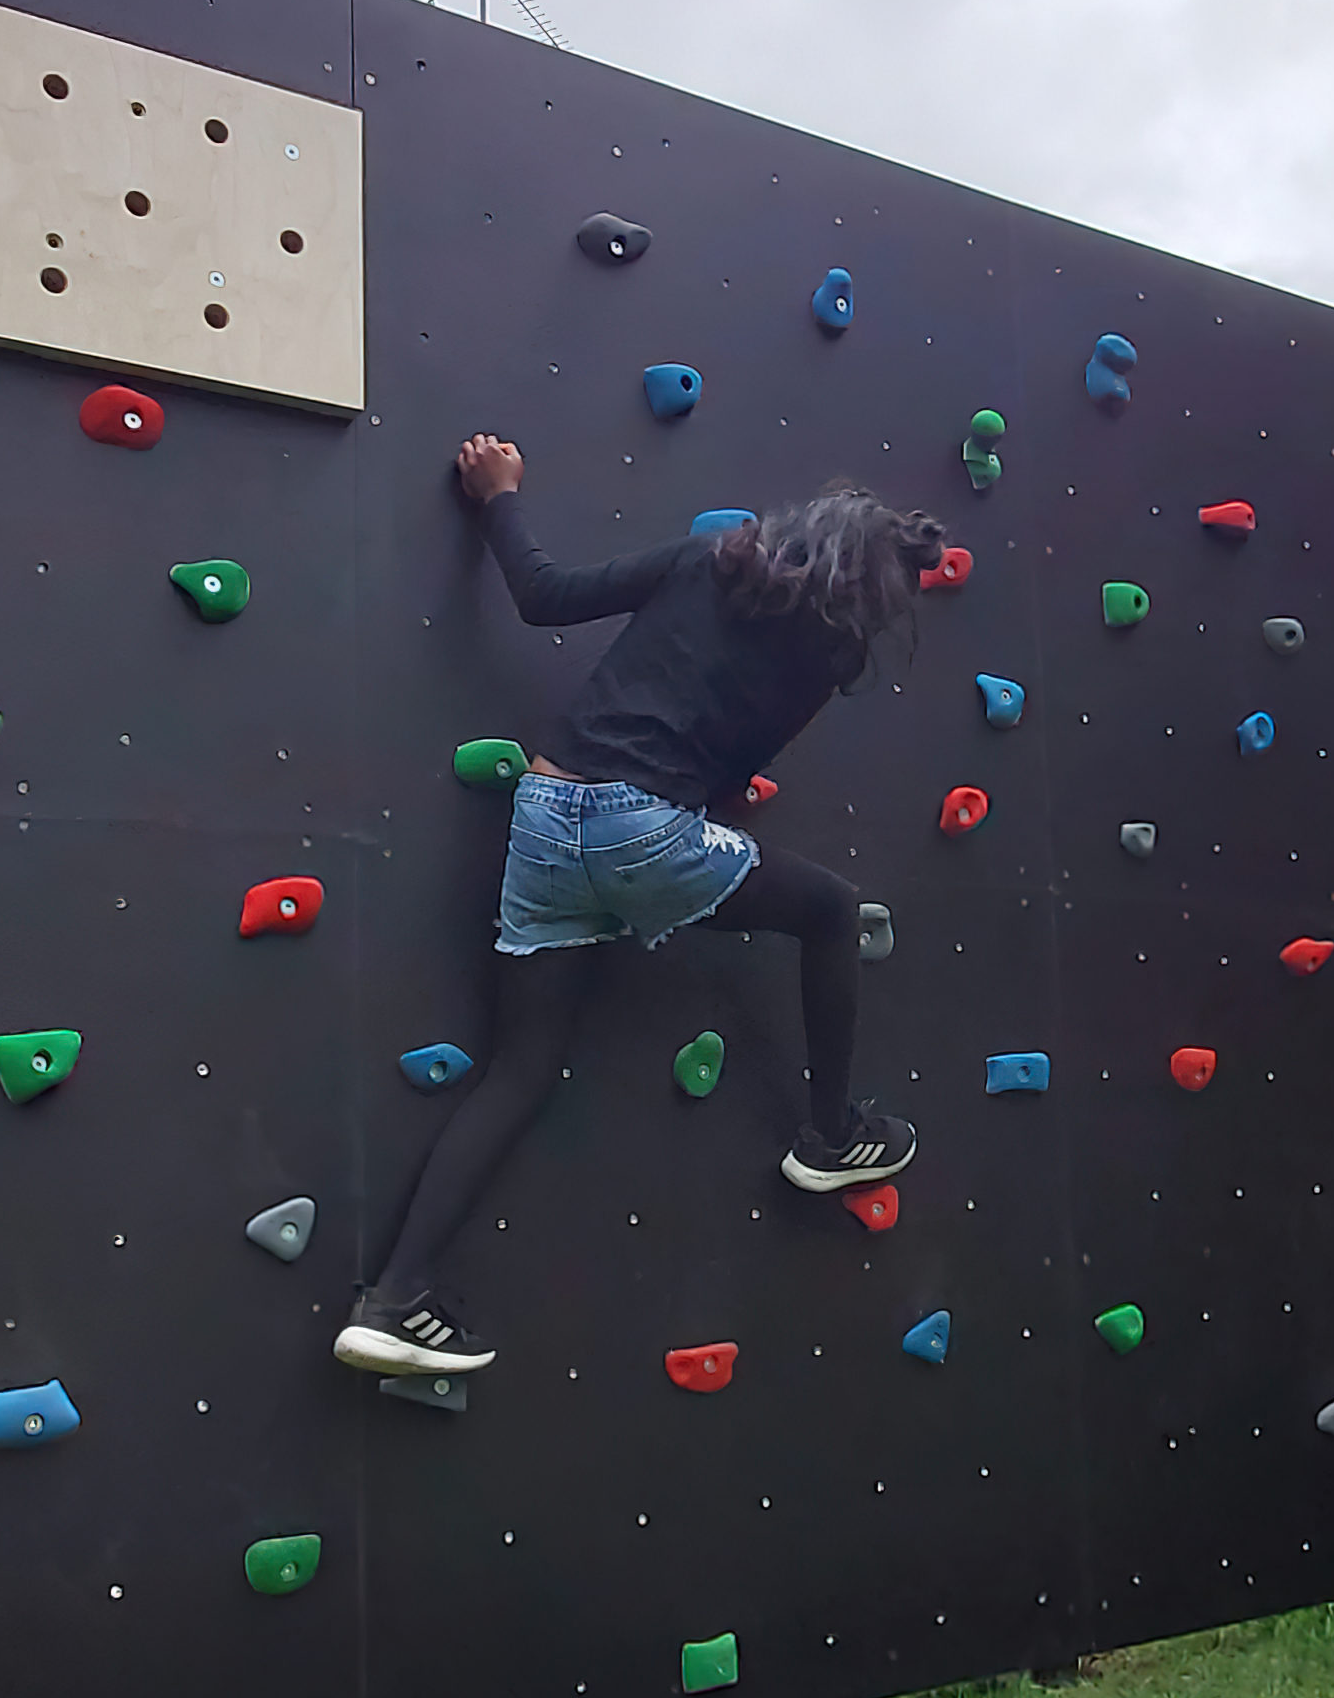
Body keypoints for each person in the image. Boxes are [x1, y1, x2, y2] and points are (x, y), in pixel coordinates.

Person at [334, 433, 945, 1381]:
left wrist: (499, 494)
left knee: (522, 1065)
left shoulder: (709, 557)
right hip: (642, 825)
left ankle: (394, 1298)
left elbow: (543, 596)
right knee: (830, 911)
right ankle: (830, 1133)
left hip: (544, 811)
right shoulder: (827, 657)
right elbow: (738, 772)